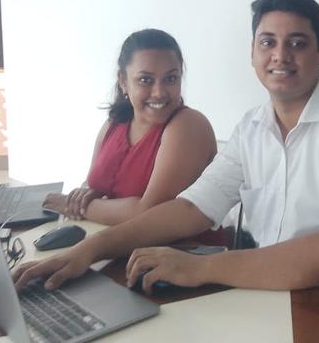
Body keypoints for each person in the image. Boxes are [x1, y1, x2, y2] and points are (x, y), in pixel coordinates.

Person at [15, 0, 319, 293]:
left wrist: (202, 267)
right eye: (268, 42)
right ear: (252, 52)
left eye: (296, 43)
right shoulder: (252, 127)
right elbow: (192, 208)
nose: (280, 56)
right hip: (266, 295)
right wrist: (90, 249)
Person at [42, 29, 218, 226]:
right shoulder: (114, 124)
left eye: (171, 79)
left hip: (179, 245)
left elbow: (149, 213)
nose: (159, 92)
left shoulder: (189, 125)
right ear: (123, 81)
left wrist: (71, 204)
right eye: (145, 80)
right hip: (107, 238)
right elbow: (91, 186)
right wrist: (84, 196)